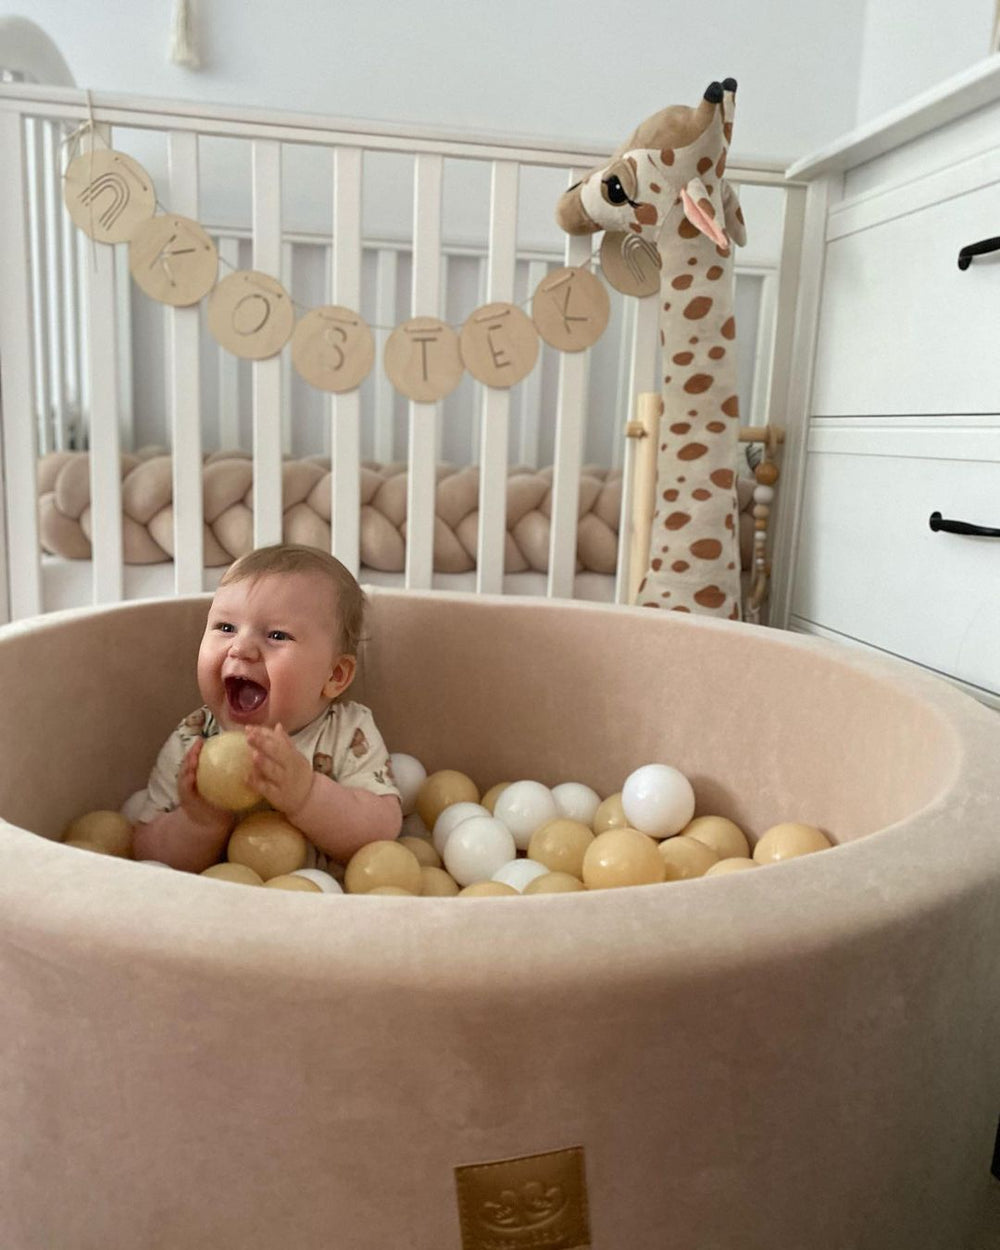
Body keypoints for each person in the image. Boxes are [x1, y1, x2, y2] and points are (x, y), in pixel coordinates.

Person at [131, 543, 402, 873]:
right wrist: (197, 823)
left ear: (334, 675)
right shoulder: (195, 738)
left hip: (323, 909)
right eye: (226, 628)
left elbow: (383, 830)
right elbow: (146, 851)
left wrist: (308, 795)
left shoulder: (348, 731)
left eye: (277, 635)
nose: (241, 648)